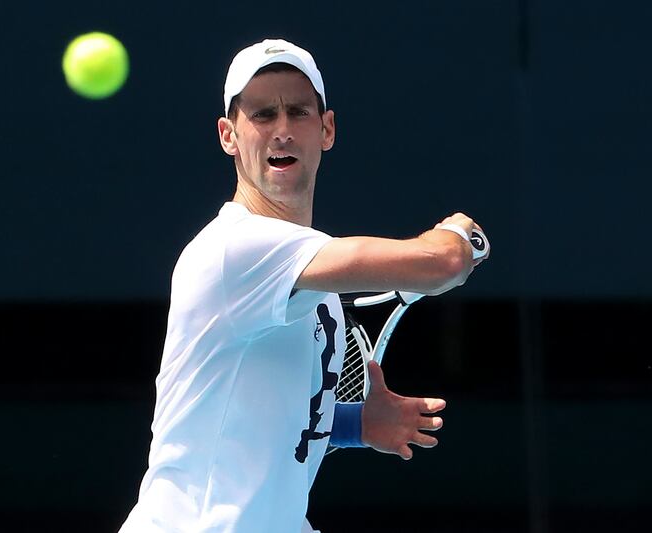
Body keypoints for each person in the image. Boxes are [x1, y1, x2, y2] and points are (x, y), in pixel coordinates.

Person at [120, 38, 488, 533]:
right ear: (228, 135)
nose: (282, 131)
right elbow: (440, 263)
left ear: (327, 128)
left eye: (297, 112)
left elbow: (268, 423)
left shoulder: (318, 298)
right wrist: (461, 240)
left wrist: (357, 426)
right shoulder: (235, 249)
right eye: (262, 116)